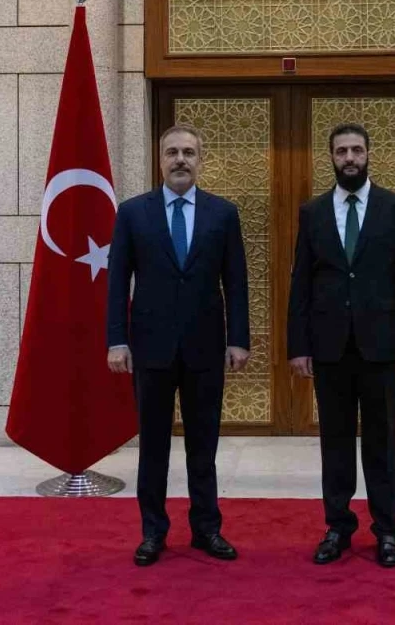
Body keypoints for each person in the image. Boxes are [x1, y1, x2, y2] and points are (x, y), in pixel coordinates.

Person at [106, 123, 251, 566]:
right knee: (153, 447)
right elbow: (117, 283)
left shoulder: (223, 214)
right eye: (172, 152)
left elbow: (236, 281)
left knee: (203, 447)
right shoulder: (133, 213)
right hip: (150, 349)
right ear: (160, 159)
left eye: (189, 152)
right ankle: (153, 532)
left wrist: (238, 339)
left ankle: (207, 529)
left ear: (201, 160)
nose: (180, 160)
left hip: (205, 348)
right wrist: (117, 340)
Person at [287, 122, 395, 568]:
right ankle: (337, 527)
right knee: (335, 442)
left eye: (356, 150)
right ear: (330, 156)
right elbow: (301, 282)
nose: (349, 158)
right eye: (341, 151)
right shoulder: (312, 212)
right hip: (329, 348)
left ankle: (387, 530)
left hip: (381, 347)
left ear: (369, 154)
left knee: (382, 443)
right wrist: (298, 346)